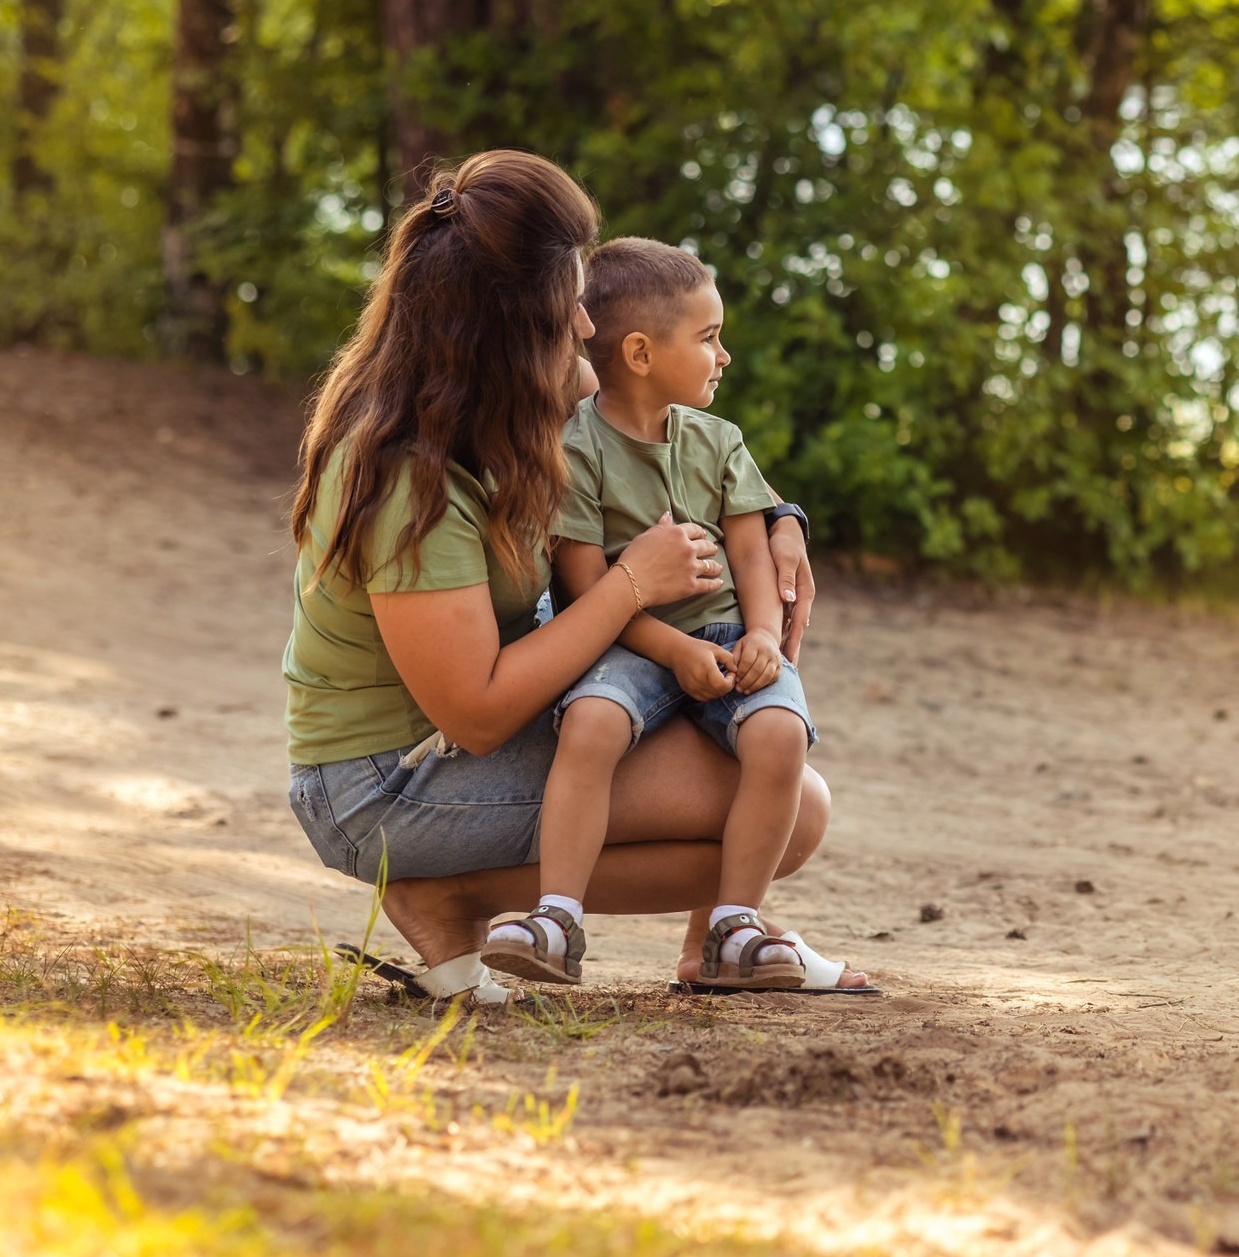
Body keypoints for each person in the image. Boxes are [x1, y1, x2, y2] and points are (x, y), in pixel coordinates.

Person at [282, 149, 870, 1002]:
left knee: (782, 780)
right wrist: (633, 584)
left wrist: (780, 517)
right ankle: (454, 896)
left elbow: (672, 453)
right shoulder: (411, 472)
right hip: (380, 782)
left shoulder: (516, 414)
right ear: (513, 331)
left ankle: (704, 935)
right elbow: (476, 711)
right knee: (794, 807)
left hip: (458, 744)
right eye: (570, 306)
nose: (588, 324)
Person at [480, 237, 819, 989]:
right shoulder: (578, 449)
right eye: (708, 338)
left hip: (729, 633)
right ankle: (556, 918)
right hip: (628, 639)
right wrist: (672, 650)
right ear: (639, 353)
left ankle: (735, 925)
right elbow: (585, 591)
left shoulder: (719, 441)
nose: (723, 356)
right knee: (591, 721)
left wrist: (765, 633)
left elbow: (752, 553)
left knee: (780, 733)